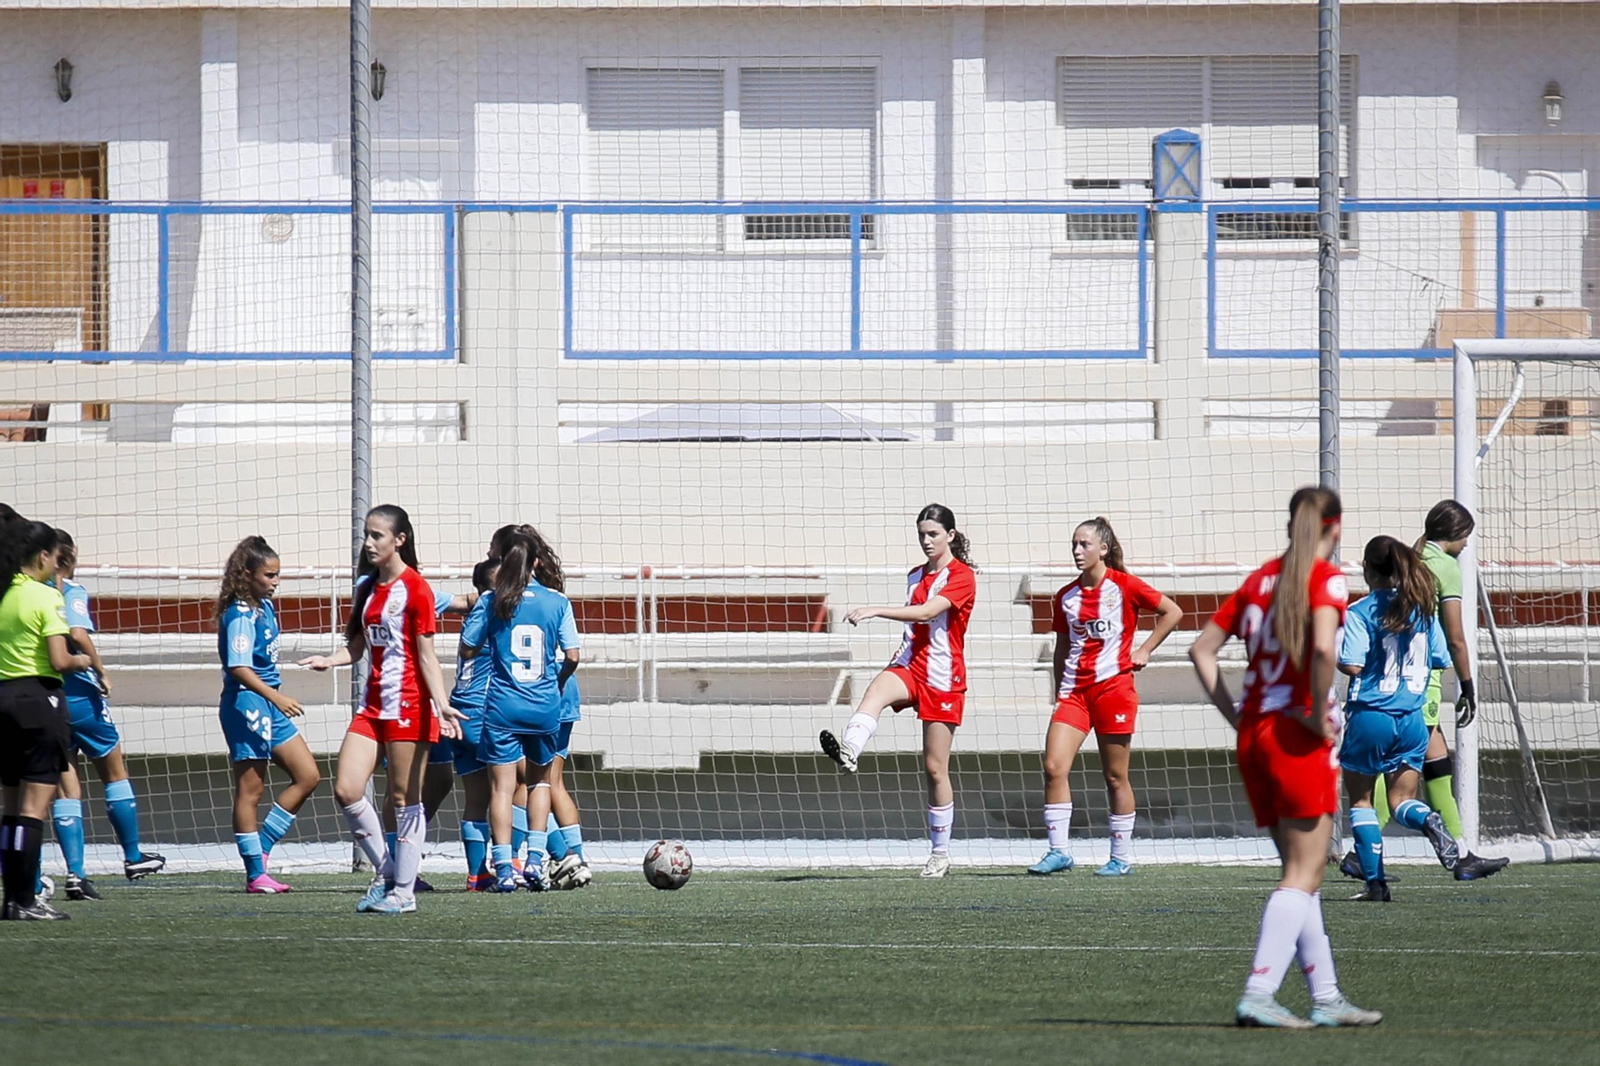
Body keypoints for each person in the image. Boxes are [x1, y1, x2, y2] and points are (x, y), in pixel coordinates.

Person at [1189, 487, 1381, 1028]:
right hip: (1295, 737)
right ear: (1335, 528)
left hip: (1254, 735)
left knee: (1303, 872)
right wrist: (1314, 709)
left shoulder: (1259, 580)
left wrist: (1238, 715)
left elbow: (1201, 649)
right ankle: (1260, 990)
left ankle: (1325, 996)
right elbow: (1323, 650)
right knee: (1304, 871)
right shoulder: (1325, 578)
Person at [300, 505, 458, 914]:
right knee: (347, 789)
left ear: (399, 540)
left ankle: (403, 894)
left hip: (410, 705)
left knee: (405, 798)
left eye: (377, 536)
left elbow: (426, 656)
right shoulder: (367, 588)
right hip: (372, 707)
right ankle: (389, 873)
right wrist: (329, 660)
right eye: (366, 535)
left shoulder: (417, 589)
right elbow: (357, 646)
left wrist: (442, 705)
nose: (368, 543)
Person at [1341, 500, 1508, 882]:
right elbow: (1446, 649)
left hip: (1374, 709)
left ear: (1369, 569)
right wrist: (1466, 686)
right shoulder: (1424, 599)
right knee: (1413, 788)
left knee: (1363, 797)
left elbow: (1350, 663)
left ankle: (1371, 873)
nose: (1466, 542)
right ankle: (1449, 840)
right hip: (1415, 705)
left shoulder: (1363, 608)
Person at [820, 504, 977, 880]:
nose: (926, 540)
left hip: (942, 676)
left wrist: (874, 609)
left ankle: (940, 853)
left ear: (950, 536)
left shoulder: (962, 576)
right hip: (910, 664)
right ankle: (849, 753)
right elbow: (917, 623)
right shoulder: (914, 575)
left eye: (933, 534)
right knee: (874, 693)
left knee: (935, 769)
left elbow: (926, 613)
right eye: (922, 534)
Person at [1027, 518, 1182, 878]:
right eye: (1074, 544)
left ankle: (1120, 857)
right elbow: (1062, 646)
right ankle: (1059, 851)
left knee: (1115, 776)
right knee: (1053, 766)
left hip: (1114, 690)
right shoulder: (1066, 596)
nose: (1077, 551)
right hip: (1075, 695)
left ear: (1103, 549)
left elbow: (1172, 612)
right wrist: (1059, 686)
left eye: (1085, 544)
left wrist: (1144, 649)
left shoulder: (1124, 586)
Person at [48, 530, 166, 901]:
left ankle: (75, 873)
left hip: (49, 698)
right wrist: (100, 669)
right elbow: (78, 632)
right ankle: (132, 856)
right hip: (81, 695)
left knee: (66, 783)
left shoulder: (27, 592)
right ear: (66, 557)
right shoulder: (70, 591)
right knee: (113, 768)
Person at [461, 529, 579, 893]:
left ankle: (503, 869)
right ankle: (535, 861)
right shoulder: (557, 601)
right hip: (544, 704)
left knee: (501, 788)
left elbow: (468, 648)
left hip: (502, 706)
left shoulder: (492, 600)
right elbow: (573, 656)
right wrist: (555, 683)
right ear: (537, 564)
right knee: (541, 781)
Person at [215, 536, 323, 893]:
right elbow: (239, 668)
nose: (276, 582)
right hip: (247, 704)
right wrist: (276, 696)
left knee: (308, 775)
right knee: (251, 789)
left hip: (267, 705)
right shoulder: (240, 614)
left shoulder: (265, 607)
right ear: (247, 575)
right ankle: (254, 874)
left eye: (278, 575)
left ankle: (260, 853)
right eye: (269, 575)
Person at [0, 521, 91, 920]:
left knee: (9, 808)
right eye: (55, 558)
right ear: (42, 557)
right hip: (38, 700)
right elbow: (58, 659)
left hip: (2, 698)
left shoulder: (4, 595)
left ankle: (9, 899)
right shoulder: (44, 596)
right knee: (34, 810)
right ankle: (25, 899)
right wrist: (82, 659)